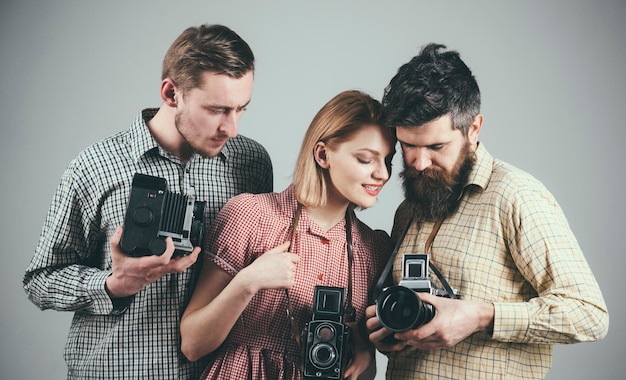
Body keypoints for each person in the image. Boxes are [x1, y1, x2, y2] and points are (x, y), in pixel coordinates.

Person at [23, 24, 273, 379]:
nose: (231, 128)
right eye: (217, 110)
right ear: (172, 93)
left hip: (214, 372)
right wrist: (111, 284)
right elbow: (39, 281)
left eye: (241, 109)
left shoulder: (252, 163)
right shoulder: (95, 166)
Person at [365, 43, 609, 379]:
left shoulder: (515, 195)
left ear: (474, 128)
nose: (419, 163)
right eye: (408, 145)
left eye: (436, 147)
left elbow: (589, 314)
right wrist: (392, 336)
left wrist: (481, 317)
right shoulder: (410, 208)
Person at [180, 90, 396, 379]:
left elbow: (362, 374)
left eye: (388, 161)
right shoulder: (251, 216)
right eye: (366, 159)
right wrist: (248, 282)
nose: (382, 174)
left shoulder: (375, 249)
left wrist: (364, 353)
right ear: (322, 154)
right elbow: (192, 344)